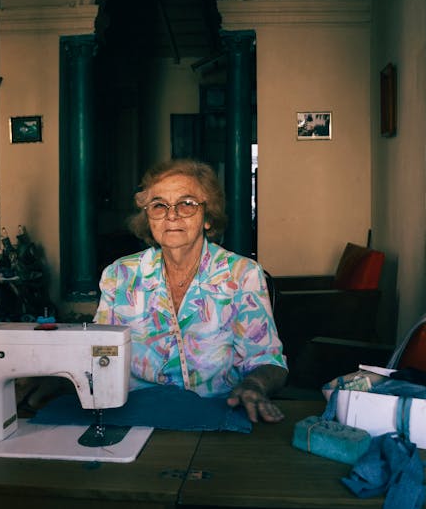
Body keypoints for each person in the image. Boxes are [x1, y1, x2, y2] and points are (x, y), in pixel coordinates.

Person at [94, 158, 288, 423]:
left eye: (187, 204)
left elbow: (269, 360)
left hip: (215, 415)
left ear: (208, 217)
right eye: (159, 205)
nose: (171, 215)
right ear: (148, 218)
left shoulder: (243, 275)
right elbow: (99, 353)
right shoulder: (119, 275)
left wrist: (255, 384)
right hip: (135, 417)